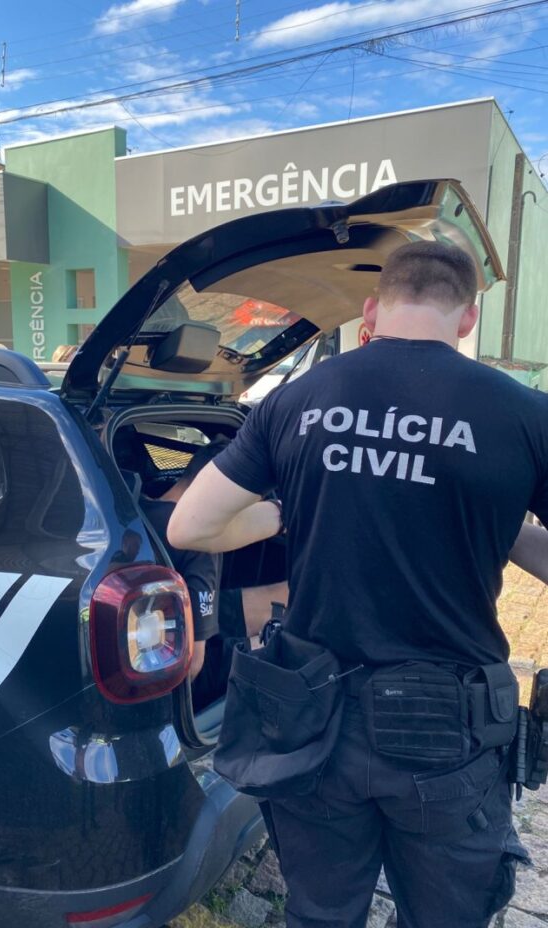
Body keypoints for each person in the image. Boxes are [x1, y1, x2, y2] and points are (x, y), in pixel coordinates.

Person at [168, 241, 548, 928]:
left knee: (321, 915)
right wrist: (504, 524)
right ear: (467, 318)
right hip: (448, 735)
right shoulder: (525, 414)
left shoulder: (298, 400)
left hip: (314, 717)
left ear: (371, 310)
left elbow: (190, 527)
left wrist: (285, 510)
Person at [141, 440, 288, 682]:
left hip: (157, 629)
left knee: (281, 596)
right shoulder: (200, 539)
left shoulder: (141, 507)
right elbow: (193, 666)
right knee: (284, 638)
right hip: (181, 672)